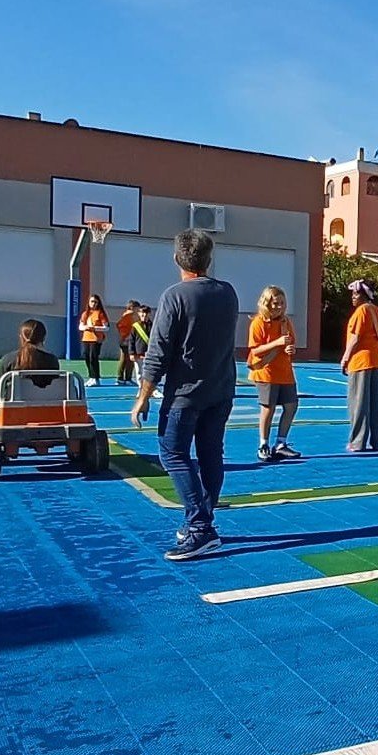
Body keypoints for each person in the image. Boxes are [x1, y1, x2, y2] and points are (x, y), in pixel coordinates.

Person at [131, 230, 240, 561]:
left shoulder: (175, 296)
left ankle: (200, 526)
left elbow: (158, 351)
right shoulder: (228, 293)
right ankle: (203, 521)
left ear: (177, 258)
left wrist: (143, 395)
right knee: (211, 454)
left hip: (186, 394)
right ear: (209, 259)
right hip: (220, 390)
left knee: (172, 452)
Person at [248, 286, 301, 462]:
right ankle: (263, 444)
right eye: (276, 303)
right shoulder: (258, 323)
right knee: (268, 408)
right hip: (266, 372)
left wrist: (289, 348)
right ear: (266, 304)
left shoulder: (286, 322)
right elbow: (256, 350)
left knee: (291, 405)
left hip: (285, 371)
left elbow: (290, 344)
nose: (280, 307)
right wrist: (277, 343)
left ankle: (281, 443)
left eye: (282, 303)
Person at [341, 278, 378, 452]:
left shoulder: (361, 312)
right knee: (376, 404)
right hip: (374, 360)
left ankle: (357, 442)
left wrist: (345, 358)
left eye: (356, 293)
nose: (352, 297)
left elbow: (355, 338)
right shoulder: (377, 311)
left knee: (358, 403)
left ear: (364, 295)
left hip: (360, 361)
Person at [0, 319, 60, 396]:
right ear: (44, 338)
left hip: (14, 405)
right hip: (44, 402)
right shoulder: (52, 360)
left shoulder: (8, 359)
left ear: (21, 337)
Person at [78, 294, 109, 387]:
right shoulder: (85, 314)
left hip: (96, 339)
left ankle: (96, 378)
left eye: (95, 302)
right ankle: (91, 377)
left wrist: (95, 328)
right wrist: (85, 327)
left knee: (93, 357)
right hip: (86, 338)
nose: (93, 304)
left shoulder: (100, 313)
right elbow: (80, 326)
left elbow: (106, 327)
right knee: (87, 357)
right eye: (92, 301)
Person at [115, 300, 140, 385]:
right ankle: (122, 377)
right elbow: (120, 326)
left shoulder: (132, 316)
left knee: (127, 359)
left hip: (129, 339)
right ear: (132, 307)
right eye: (137, 308)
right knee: (126, 359)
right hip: (126, 340)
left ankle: (124, 377)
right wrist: (125, 336)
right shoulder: (128, 316)